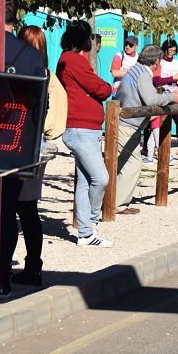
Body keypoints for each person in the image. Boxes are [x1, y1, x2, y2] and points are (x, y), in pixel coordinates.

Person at [0, 0, 46, 298]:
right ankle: (1, 278)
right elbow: (39, 111)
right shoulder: (31, 58)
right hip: (12, 148)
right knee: (5, 212)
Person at [56, 18, 114, 248]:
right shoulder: (73, 60)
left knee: (84, 181)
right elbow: (100, 88)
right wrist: (103, 89)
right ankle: (90, 225)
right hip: (81, 129)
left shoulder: (67, 59)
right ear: (84, 39)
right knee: (101, 178)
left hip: (83, 128)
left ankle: (85, 234)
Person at [115, 44, 178, 213]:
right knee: (134, 164)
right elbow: (151, 99)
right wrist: (172, 96)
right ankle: (118, 204)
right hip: (127, 124)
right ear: (157, 61)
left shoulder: (136, 69)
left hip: (124, 123)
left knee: (122, 163)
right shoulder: (143, 74)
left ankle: (112, 200)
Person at [158, 39, 178, 161]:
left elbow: (177, 79)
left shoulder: (176, 63)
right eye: (170, 50)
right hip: (163, 92)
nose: (172, 53)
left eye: (174, 51)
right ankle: (152, 147)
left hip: (174, 93)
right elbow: (157, 79)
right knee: (158, 121)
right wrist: (172, 78)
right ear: (165, 49)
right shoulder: (160, 62)